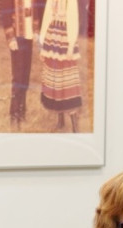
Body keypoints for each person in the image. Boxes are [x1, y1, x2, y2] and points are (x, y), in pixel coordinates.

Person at [38, 0, 83, 132]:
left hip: (65, 38)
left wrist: (70, 46)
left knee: (67, 79)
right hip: (52, 37)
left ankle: (75, 125)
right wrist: (42, 44)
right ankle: (60, 120)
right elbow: (46, 18)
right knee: (55, 77)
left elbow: (73, 20)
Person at [0, 0, 39, 130]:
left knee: (25, 77)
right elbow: (5, 14)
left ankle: (22, 111)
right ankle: (14, 114)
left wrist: (36, 29)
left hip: (28, 37)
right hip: (17, 37)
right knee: (18, 76)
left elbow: (36, 9)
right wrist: (10, 38)